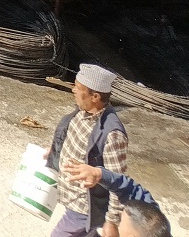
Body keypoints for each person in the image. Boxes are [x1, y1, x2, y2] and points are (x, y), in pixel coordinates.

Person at [46, 63, 128, 236]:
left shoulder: (112, 134)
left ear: (95, 96)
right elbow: (72, 138)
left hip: (84, 206)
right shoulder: (82, 111)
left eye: (78, 88)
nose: (73, 90)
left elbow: (117, 181)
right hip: (71, 198)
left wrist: (112, 222)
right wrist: (55, 150)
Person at [61, 164, 171, 237]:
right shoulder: (154, 223)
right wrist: (99, 174)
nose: (117, 225)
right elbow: (131, 190)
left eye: (120, 222)